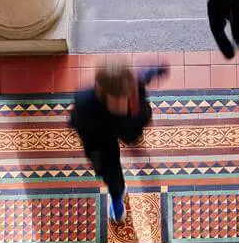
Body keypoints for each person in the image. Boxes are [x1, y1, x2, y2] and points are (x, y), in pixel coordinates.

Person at [69, 58, 168, 223]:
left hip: (130, 129)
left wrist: (156, 71)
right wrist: (118, 116)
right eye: (118, 98)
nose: (124, 102)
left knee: (132, 136)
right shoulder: (85, 104)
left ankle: (130, 141)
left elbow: (143, 75)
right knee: (111, 176)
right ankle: (117, 196)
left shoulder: (132, 84)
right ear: (101, 91)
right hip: (102, 141)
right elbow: (82, 131)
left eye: (127, 96)